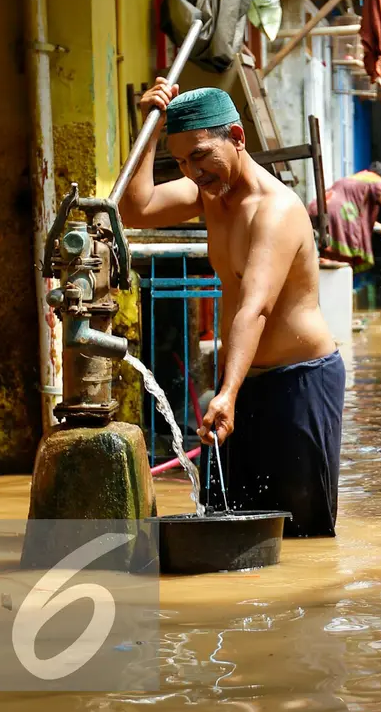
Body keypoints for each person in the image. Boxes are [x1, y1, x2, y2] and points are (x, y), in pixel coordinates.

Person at [119, 80, 344, 538]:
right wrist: (148, 128)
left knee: (300, 533)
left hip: (299, 382)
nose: (193, 172)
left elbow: (254, 309)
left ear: (237, 138)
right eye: (181, 162)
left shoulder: (274, 210)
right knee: (229, 523)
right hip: (244, 383)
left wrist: (227, 392)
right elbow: (135, 208)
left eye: (200, 156)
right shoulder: (210, 193)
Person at [310, 161, 381, 273]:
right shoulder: (377, 181)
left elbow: (358, 219)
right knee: (342, 265)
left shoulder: (352, 180)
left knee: (325, 261)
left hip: (317, 213)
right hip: (339, 218)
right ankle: (340, 288)